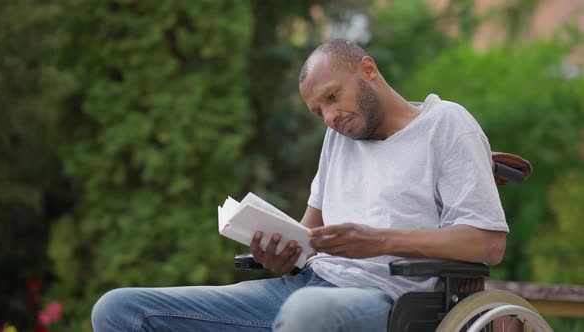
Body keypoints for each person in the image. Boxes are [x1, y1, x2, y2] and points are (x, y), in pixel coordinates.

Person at [91, 38, 508, 331]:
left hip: (392, 299)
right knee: (120, 310)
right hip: (306, 287)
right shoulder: (338, 138)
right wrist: (284, 253)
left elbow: (487, 243)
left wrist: (379, 242)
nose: (329, 117)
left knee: (307, 313)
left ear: (368, 70)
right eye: (318, 111)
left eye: (332, 97)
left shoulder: (446, 125)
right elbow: (310, 235)